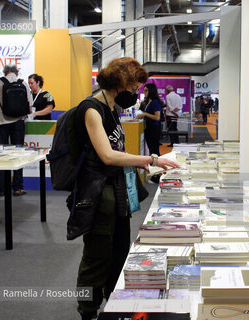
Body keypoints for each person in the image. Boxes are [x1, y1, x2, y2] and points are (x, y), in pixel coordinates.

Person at [72, 57, 179, 320]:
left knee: (118, 250)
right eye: (133, 89)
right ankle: (87, 311)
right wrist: (149, 160)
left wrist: (142, 164)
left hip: (116, 190)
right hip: (97, 194)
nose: (135, 94)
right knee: (96, 257)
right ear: (120, 83)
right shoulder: (91, 110)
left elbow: (118, 150)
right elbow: (107, 156)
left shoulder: (111, 108)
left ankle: (112, 305)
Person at [0, 65, 32, 196]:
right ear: (16, 73)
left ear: (4, 72)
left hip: (1, 123)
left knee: (1, 155)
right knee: (19, 154)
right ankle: (17, 187)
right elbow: (29, 106)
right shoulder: (23, 83)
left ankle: (1, 189)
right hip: (18, 122)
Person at [136, 83, 162, 156]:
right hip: (150, 128)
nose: (144, 92)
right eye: (144, 90)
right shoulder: (150, 101)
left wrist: (145, 114)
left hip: (154, 128)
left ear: (151, 91)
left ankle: (157, 164)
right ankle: (155, 164)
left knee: (154, 150)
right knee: (152, 149)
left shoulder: (155, 102)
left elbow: (157, 117)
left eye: (146, 90)